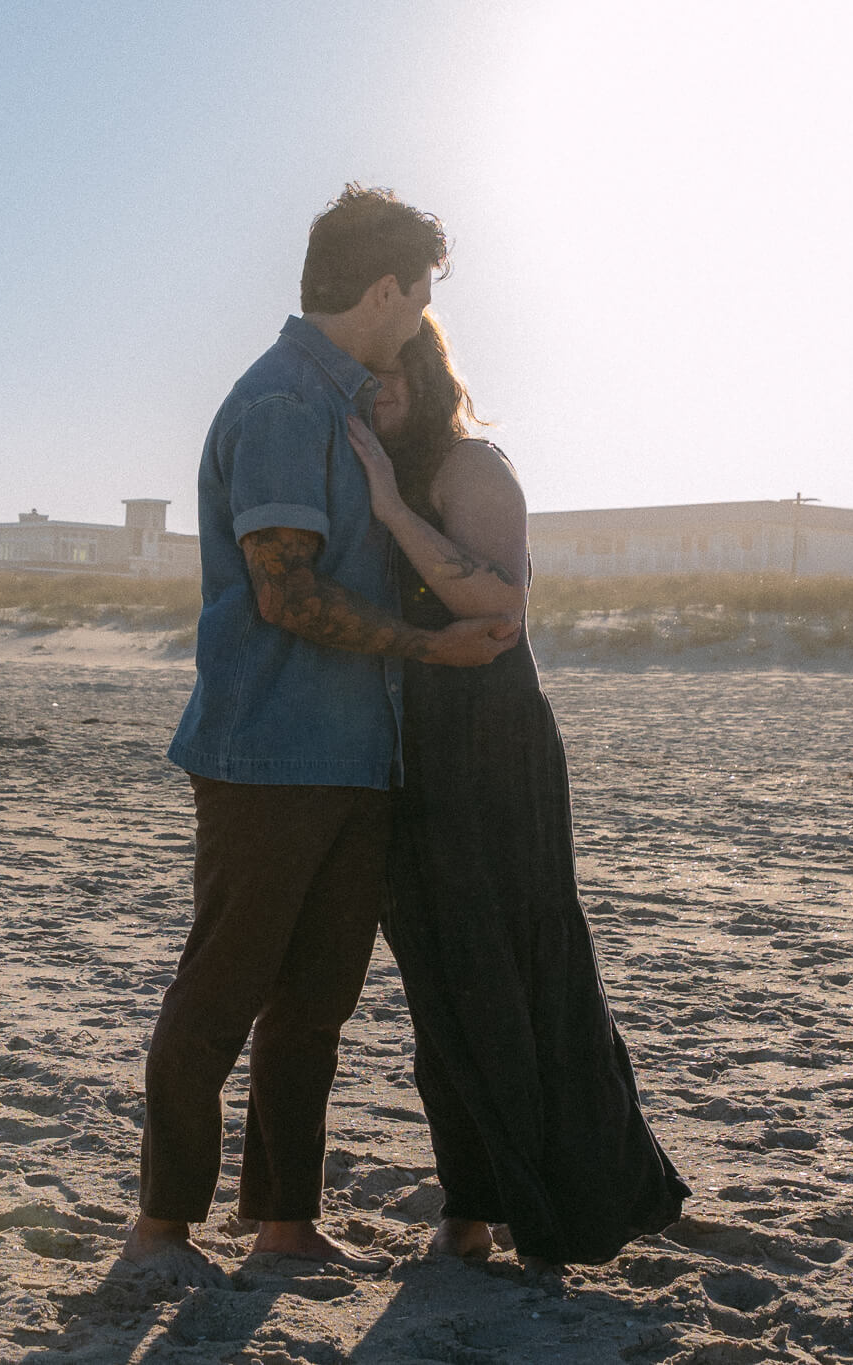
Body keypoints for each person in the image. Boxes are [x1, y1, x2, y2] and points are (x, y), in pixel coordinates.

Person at [123, 187, 519, 1287]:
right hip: (267, 754)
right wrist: (428, 649)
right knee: (219, 993)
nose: (423, 315)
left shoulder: (340, 401)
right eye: (421, 292)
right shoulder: (285, 407)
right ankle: (160, 1227)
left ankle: (284, 1223)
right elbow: (284, 595)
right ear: (385, 287)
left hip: (354, 756)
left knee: (313, 1005)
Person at [347, 315, 690, 1270]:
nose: (372, 396)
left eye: (386, 379)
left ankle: (569, 1206)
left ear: (421, 373)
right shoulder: (387, 470)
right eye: (362, 381)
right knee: (440, 980)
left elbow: (499, 605)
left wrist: (390, 508)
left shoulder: (470, 467)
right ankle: (469, 1203)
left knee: (521, 968)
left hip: (492, 749)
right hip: (411, 751)